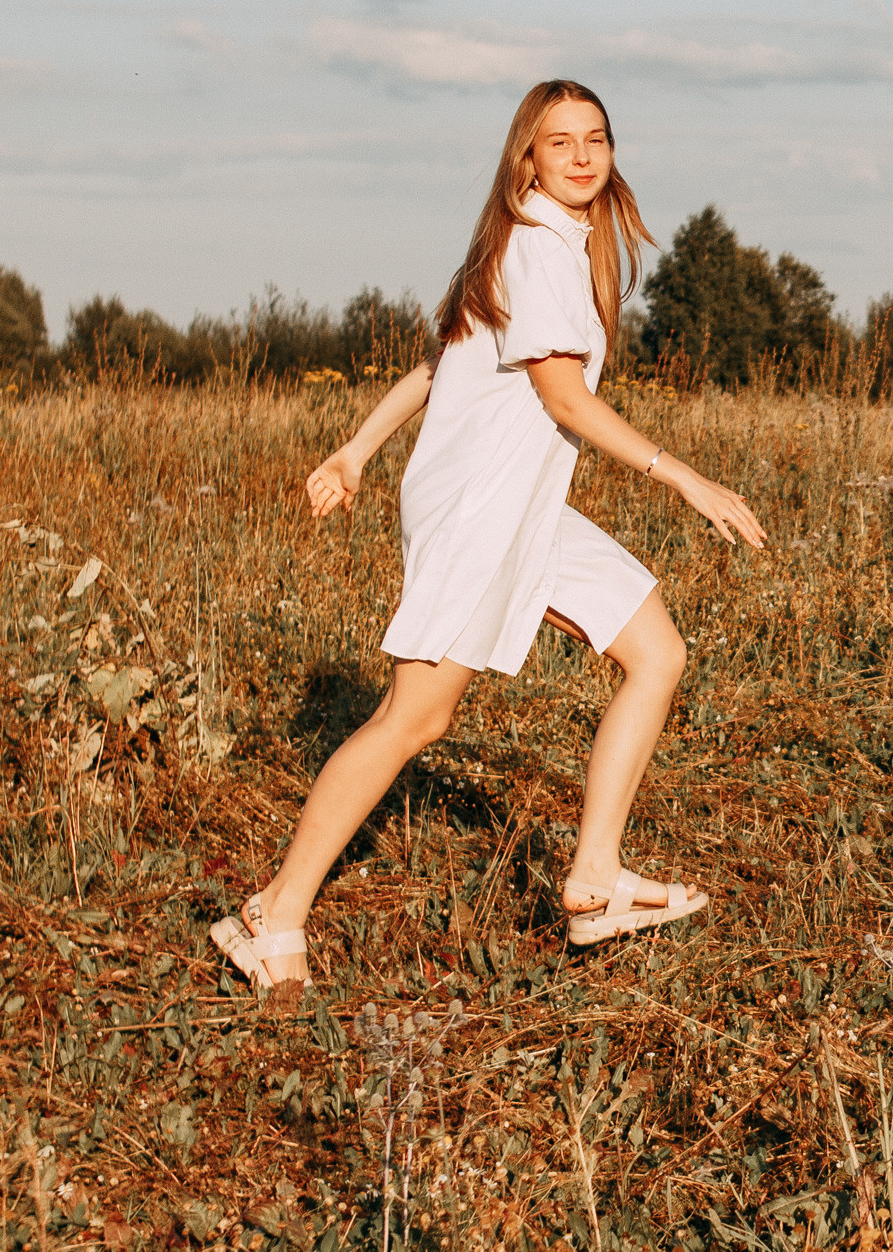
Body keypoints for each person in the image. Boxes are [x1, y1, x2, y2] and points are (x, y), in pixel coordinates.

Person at [210, 79, 767, 992]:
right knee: (415, 719)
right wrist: (686, 478)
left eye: (597, 138)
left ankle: (593, 879)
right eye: (560, 143)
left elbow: (442, 363)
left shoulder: (553, 246)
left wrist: (356, 450)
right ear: (529, 160)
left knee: (656, 649)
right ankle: (271, 914)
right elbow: (563, 397)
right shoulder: (534, 249)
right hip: (478, 508)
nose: (583, 156)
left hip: (528, 507)